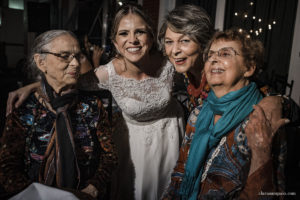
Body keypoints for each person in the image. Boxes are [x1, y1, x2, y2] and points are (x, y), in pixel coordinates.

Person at [5, 3, 185, 200]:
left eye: (140, 32)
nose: (132, 39)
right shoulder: (108, 73)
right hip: (134, 150)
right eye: (124, 33)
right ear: (115, 42)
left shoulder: (169, 62)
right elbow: (69, 80)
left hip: (171, 138)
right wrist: (34, 86)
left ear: (150, 37)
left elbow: (198, 73)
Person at [162, 28, 287, 199]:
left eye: (225, 54)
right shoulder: (198, 114)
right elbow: (180, 170)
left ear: (249, 68)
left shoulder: (262, 119)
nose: (213, 59)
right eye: (210, 55)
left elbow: (273, 194)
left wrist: (261, 153)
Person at [0, 30, 117, 200]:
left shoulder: (91, 105)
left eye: (78, 56)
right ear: (41, 62)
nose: (76, 63)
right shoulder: (24, 107)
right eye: (64, 56)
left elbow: (110, 156)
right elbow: (7, 166)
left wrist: (92, 188)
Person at [158, 4, 214, 113]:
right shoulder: (184, 74)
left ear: (202, 43)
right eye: (169, 42)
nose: (174, 51)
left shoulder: (218, 73)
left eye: (184, 41)